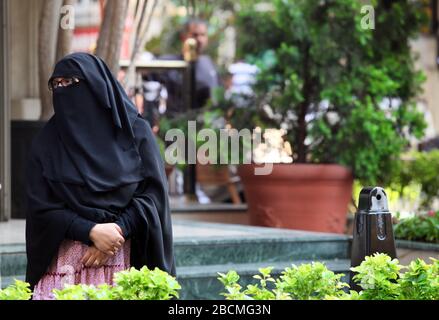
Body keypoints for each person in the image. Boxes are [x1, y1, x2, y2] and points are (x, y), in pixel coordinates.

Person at [25, 52, 175, 300]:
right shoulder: (47, 142)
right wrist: (91, 231)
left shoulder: (135, 133)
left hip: (126, 264)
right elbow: (40, 207)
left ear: (95, 84)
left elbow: (152, 196)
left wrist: (117, 230)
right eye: (56, 84)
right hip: (64, 271)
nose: (62, 90)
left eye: (70, 82)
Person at [146, 18, 220, 116]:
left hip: (204, 125)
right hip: (176, 124)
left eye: (203, 35)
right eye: (195, 35)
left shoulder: (208, 63)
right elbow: (146, 78)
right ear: (183, 37)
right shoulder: (168, 63)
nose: (199, 39)